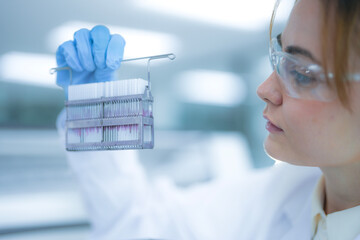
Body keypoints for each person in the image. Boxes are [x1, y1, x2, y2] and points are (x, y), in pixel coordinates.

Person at [55, 0, 360, 239]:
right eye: (280, 57)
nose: (264, 89)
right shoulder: (280, 195)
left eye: (302, 73)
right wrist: (95, 108)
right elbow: (139, 226)